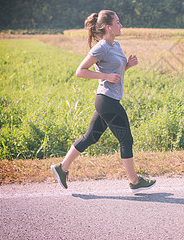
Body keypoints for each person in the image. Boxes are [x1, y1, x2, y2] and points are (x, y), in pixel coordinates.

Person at [51, 10, 156, 193]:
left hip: (108, 99)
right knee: (126, 140)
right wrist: (105, 75)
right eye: (118, 22)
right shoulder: (101, 47)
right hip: (107, 100)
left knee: (91, 136)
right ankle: (135, 181)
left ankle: (62, 168)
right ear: (109, 27)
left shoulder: (115, 45)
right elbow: (80, 71)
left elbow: (117, 71)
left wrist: (128, 65)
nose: (120, 25)